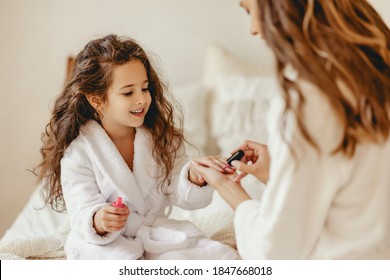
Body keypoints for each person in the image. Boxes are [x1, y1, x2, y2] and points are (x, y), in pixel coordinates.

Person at [191, 0, 390, 259]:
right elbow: (354, 193)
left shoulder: (306, 99)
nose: (252, 29)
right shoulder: (374, 72)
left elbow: (275, 253)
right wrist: (279, 170)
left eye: (249, 10)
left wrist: (227, 188)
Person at [34, 34, 237, 260]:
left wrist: (193, 176)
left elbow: (178, 192)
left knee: (219, 258)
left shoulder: (160, 138)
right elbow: (82, 208)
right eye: (128, 92)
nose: (141, 99)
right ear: (96, 99)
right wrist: (100, 220)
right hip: (106, 243)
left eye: (145, 88)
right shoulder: (79, 153)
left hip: (154, 234)